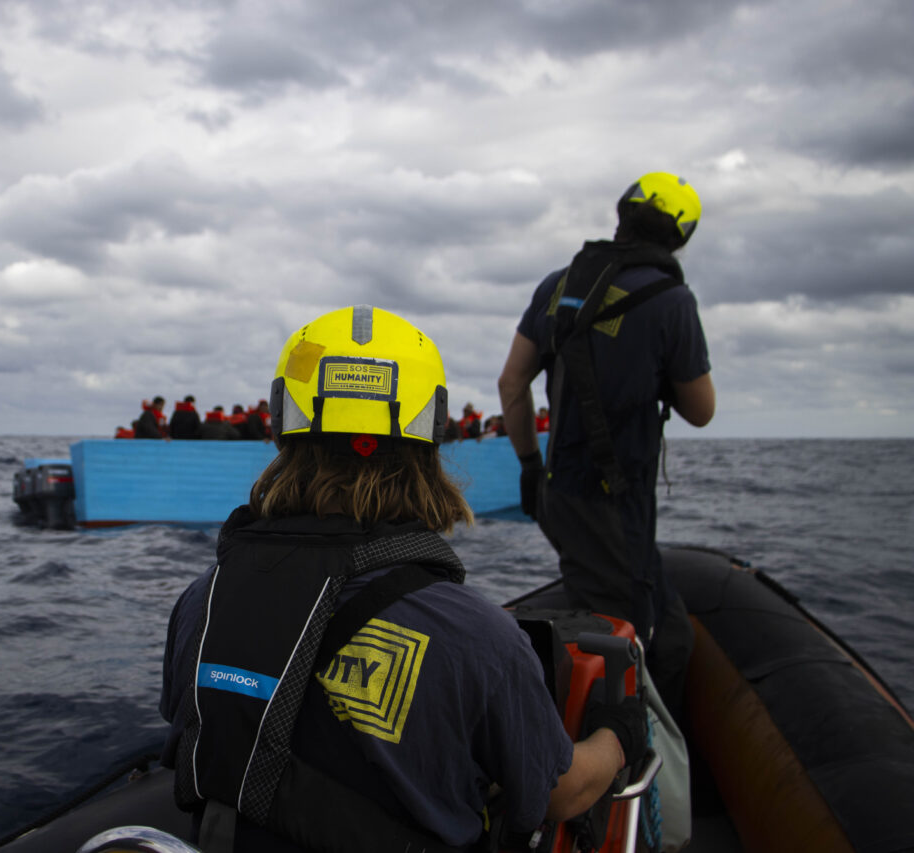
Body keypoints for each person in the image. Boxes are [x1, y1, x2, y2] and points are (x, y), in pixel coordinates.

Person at [161, 305, 646, 851]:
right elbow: (563, 794)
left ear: (282, 430)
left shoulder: (200, 602)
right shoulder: (479, 640)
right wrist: (619, 733)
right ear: (430, 439)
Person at [497, 172, 716, 718]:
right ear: (680, 236)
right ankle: (614, 771)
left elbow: (511, 383)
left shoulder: (557, 285)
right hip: (614, 506)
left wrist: (529, 465)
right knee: (624, 644)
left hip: (558, 493)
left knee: (669, 635)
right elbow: (701, 410)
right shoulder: (672, 300)